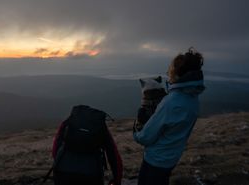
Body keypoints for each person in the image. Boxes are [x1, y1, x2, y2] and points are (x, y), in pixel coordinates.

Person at [133, 47, 205, 185]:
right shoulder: (192, 97)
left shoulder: (172, 102)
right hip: (172, 157)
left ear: (178, 73)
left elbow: (145, 137)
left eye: (171, 69)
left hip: (156, 160)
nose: (169, 72)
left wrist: (137, 130)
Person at [52, 105, 123, 185]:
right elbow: (113, 155)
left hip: (62, 171)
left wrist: (59, 163)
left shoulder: (69, 122)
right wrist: (117, 180)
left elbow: (55, 148)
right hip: (91, 174)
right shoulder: (99, 126)